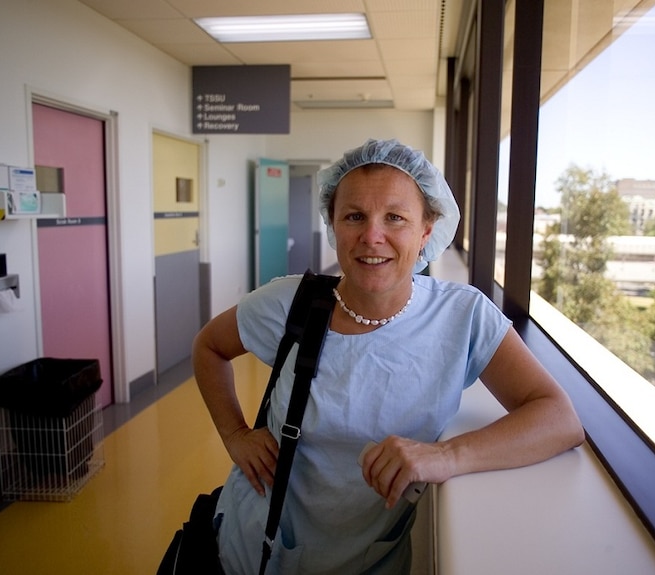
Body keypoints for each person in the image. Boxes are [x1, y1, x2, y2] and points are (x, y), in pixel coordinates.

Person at [192, 138, 585, 574]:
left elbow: (559, 419)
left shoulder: (463, 316)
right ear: (333, 226)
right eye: (354, 216)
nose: (371, 236)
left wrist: (447, 456)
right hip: (252, 553)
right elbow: (209, 347)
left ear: (426, 232)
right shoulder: (289, 303)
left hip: (372, 561)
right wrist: (234, 435)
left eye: (395, 217)